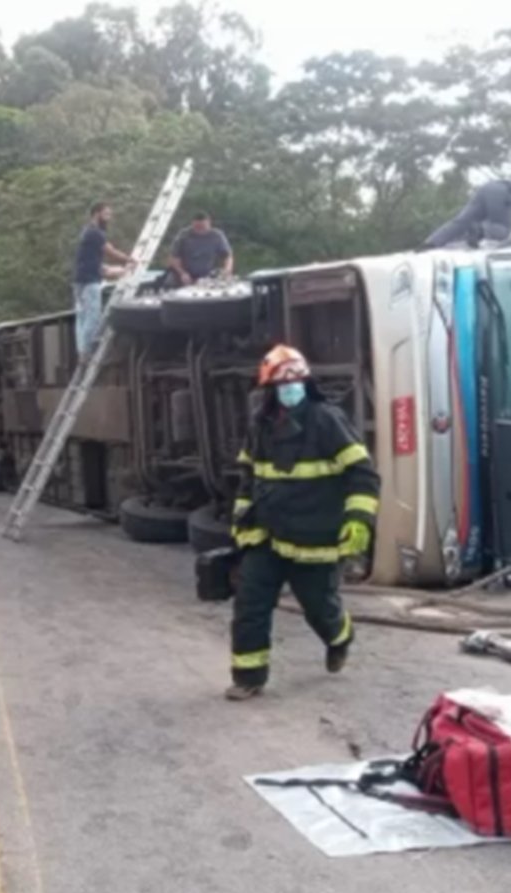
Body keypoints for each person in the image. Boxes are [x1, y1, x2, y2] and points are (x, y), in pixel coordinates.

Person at [226, 345, 381, 701]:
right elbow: (248, 477)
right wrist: (241, 521)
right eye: (283, 384)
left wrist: (358, 520)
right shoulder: (260, 426)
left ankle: (339, 635)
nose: (290, 389)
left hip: (315, 536)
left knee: (318, 607)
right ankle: (249, 677)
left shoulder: (327, 420)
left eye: (297, 383)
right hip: (267, 533)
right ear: (269, 390)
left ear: (307, 384)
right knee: (249, 604)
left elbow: (363, 474)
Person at [73, 202, 135, 357]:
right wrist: (130, 260)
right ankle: (87, 351)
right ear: (96, 214)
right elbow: (110, 251)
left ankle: (82, 350)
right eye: (106, 214)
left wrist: (121, 271)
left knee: (82, 318)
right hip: (89, 283)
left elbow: (99, 266)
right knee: (92, 317)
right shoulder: (95, 233)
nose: (109, 218)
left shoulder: (87, 233)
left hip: (80, 281)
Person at [422, 178, 511, 250]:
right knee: (503, 231)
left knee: (461, 221)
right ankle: (478, 230)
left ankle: (430, 243)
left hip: (490, 187)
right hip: (503, 195)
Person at [167, 211, 233, 287]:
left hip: (209, 275)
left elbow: (228, 256)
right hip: (185, 274)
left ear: (209, 223)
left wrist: (227, 271)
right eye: (197, 227)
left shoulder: (217, 235)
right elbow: (174, 257)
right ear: (192, 224)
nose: (199, 230)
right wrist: (182, 273)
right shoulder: (183, 235)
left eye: (202, 227)